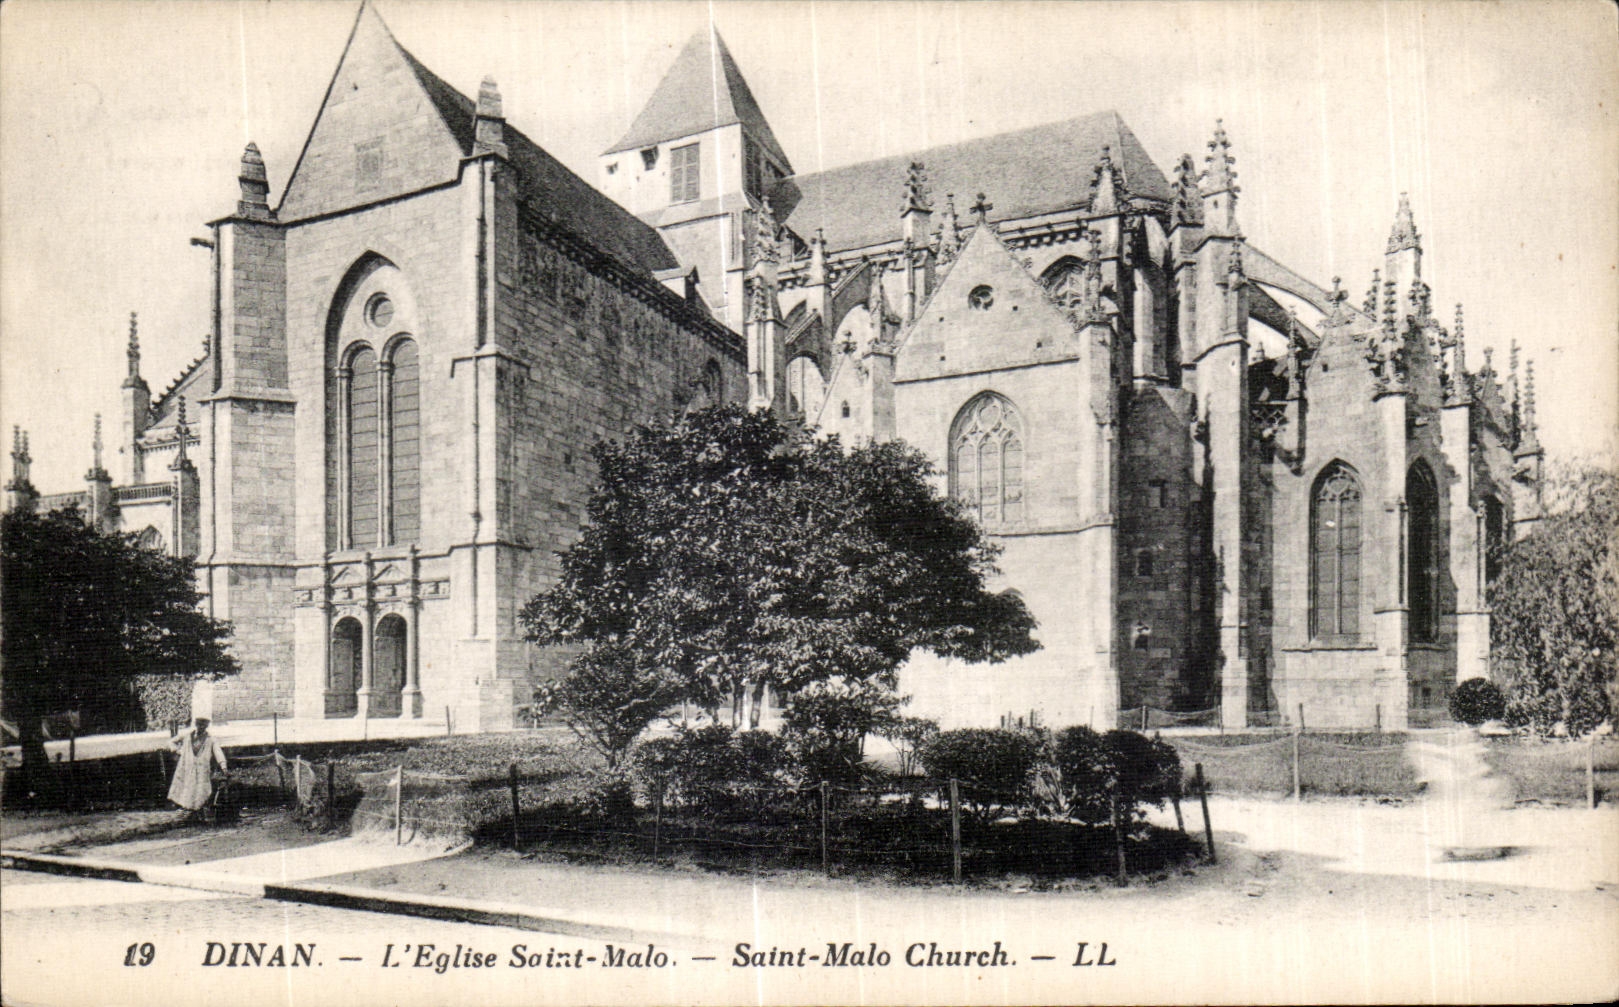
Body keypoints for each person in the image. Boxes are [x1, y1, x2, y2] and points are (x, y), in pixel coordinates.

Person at [168, 716, 228, 817]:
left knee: (201, 789)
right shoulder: (187, 736)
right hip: (187, 767)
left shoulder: (211, 739)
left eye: (203, 725)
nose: (201, 727)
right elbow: (171, 742)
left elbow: (218, 753)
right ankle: (188, 809)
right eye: (199, 724)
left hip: (202, 768)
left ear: (206, 726)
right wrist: (178, 751)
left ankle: (199, 810)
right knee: (187, 787)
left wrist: (223, 766)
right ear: (195, 724)